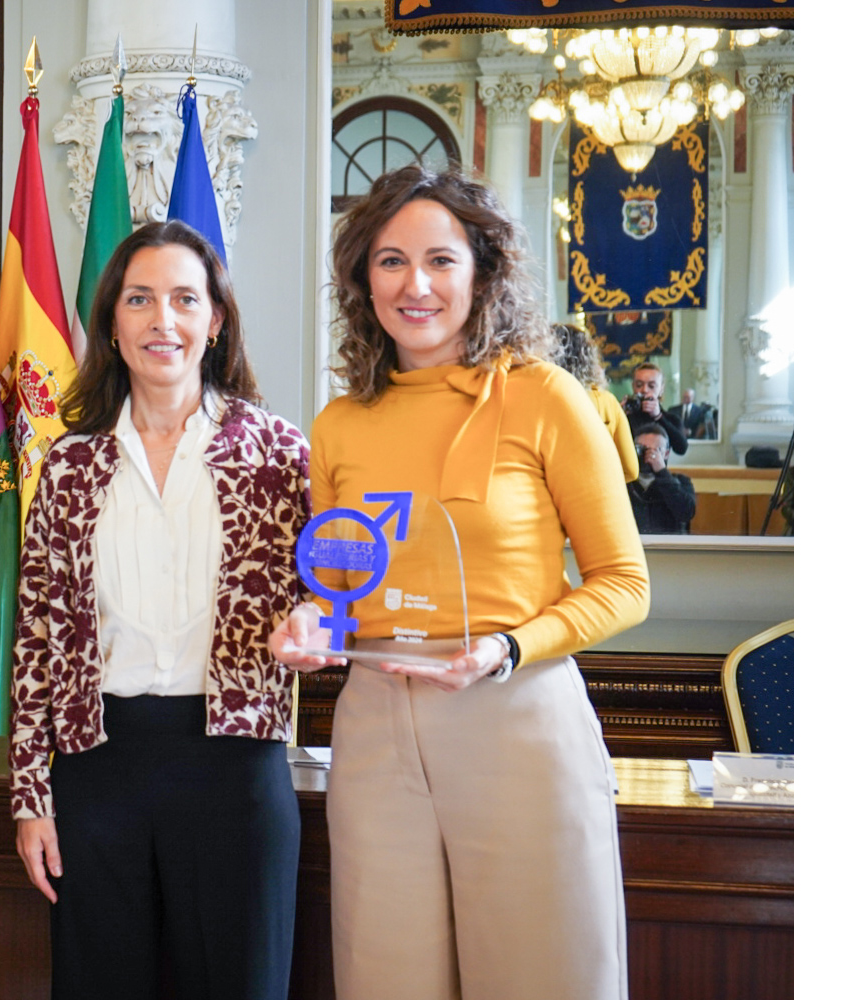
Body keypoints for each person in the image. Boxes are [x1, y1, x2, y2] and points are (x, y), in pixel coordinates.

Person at [270, 162, 650, 1000]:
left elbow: (625, 583)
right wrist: (307, 626)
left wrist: (507, 648)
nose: (416, 284)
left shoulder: (546, 396)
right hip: (373, 729)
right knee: (384, 976)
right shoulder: (338, 423)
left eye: (441, 260)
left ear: (482, 272)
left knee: (543, 976)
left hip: (517, 714)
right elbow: (335, 588)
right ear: (362, 278)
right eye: (391, 260)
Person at [11, 221, 311, 1000]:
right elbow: (35, 639)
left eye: (184, 299)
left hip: (234, 770)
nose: (161, 320)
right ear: (112, 321)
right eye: (139, 300)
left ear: (216, 320)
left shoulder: (279, 453)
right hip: (98, 768)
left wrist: (319, 630)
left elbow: (337, 596)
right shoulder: (70, 463)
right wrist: (30, 799)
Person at [552, 322, 639, 482]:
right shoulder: (607, 402)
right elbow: (631, 470)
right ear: (588, 357)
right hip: (600, 497)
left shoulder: (546, 398)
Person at [628, 422, 697, 533]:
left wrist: (661, 472)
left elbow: (686, 513)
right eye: (642, 449)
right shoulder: (624, 483)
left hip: (669, 547)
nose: (649, 454)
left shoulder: (681, 481)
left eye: (657, 450)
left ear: (666, 453)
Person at [622, 361, 688, 455]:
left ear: (661, 389)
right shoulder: (626, 416)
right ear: (633, 387)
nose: (644, 390)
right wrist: (618, 416)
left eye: (651, 386)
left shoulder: (671, 419)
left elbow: (681, 449)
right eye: (639, 385)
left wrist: (658, 417)